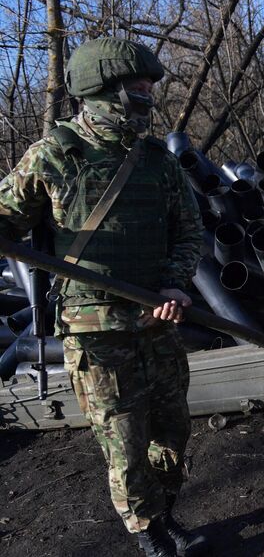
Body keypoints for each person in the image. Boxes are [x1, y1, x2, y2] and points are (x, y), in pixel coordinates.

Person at [0, 38, 205, 557]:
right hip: (96, 329)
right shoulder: (54, 155)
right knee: (124, 440)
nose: (147, 102)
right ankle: (148, 533)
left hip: (159, 319)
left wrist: (176, 282)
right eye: (138, 92)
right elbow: (4, 218)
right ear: (102, 93)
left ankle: (167, 510)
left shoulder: (157, 160)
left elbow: (189, 229)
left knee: (173, 430)